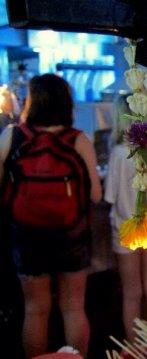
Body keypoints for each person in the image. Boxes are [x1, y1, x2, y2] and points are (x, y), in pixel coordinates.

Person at [0, 74, 102, 358]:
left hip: (26, 236)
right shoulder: (78, 140)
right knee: (73, 307)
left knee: (35, 309)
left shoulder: (12, 136)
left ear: (32, 101)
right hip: (72, 235)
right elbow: (95, 195)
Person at [104, 94, 147, 340]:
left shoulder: (118, 153)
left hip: (125, 228)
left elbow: (109, 196)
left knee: (131, 292)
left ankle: (133, 347)